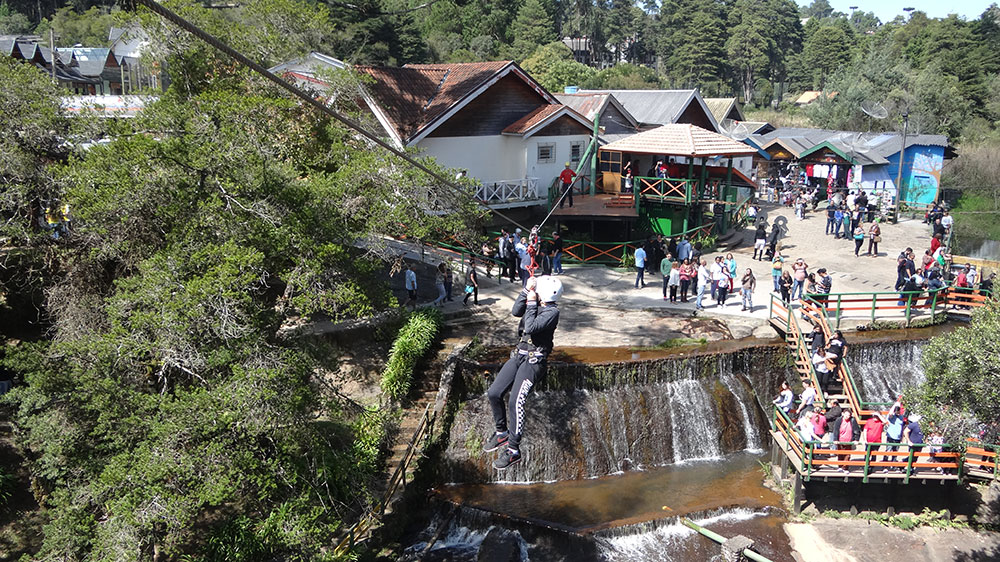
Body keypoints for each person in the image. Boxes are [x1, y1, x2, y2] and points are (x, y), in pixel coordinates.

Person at [485, 276, 562, 470]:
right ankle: (501, 432)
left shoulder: (552, 312)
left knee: (515, 401)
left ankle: (513, 451)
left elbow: (530, 327)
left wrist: (531, 302)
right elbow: (515, 311)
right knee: (494, 393)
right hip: (519, 355)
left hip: (534, 362)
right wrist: (526, 292)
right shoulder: (534, 302)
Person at [882, 399, 906, 471]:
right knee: (888, 450)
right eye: (897, 410)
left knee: (895, 451)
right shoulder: (892, 417)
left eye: (899, 410)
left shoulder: (901, 418)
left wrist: (902, 437)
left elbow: (902, 427)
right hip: (891, 436)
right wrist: (896, 404)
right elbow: (890, 413)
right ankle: (885, 466)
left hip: (898, 437)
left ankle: (893, 464)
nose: (898, 412)